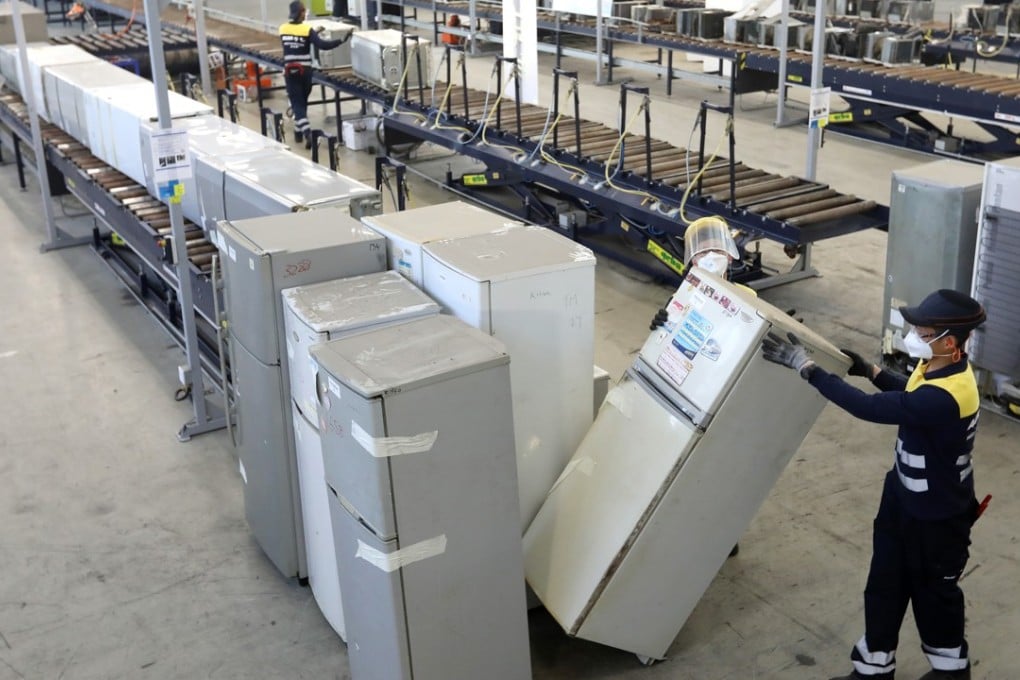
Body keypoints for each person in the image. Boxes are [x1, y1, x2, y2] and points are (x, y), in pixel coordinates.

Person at [761, 289, 986, 680]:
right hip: (901, 498)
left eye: (922, 330)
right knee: (884, 583)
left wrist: (807, 368)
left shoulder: (951, 393)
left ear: (949, 342)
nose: (913, 334)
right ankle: (873, 669)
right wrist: (873, 372)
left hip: (938, 516)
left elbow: (869, 408)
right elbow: (908, 391)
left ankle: (951, 671)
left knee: (934, 594)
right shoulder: (938, 365)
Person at [650, 215, 742, 330]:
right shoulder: (680, 299)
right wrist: (661, 328)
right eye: (704, 252)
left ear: (729, 257)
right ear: (694, 261)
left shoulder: (747, 298)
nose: (711, 256)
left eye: (717, 250)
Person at [279, 0, 350, 147]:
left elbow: (294, 40)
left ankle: (305, 133)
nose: (305, 13)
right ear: (301, 13)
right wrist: (341, 41)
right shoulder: (307, 30)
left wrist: (313, 33)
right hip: (305, 72)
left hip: (291, 71)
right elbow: (322, 45)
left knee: (297, 104)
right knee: (302, 103)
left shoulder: (283, 29)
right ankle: (301, 133)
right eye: (304, 11)